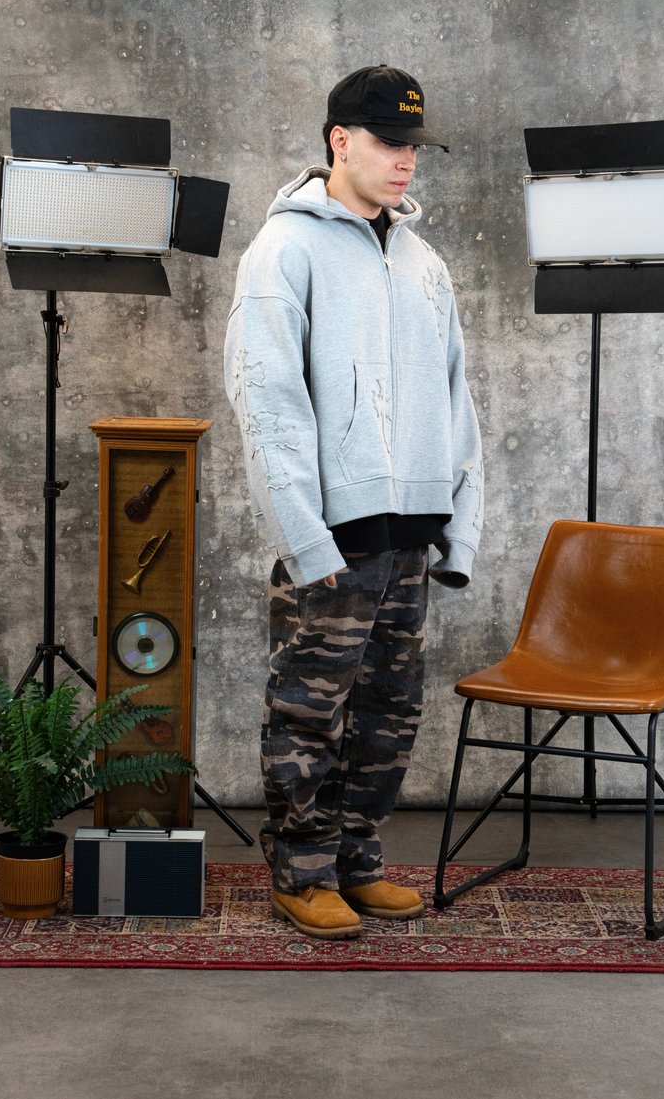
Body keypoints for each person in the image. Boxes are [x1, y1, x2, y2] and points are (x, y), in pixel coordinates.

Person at [224, 64, 484, 940]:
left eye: (415, 146)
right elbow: (267, 404)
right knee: (309, 710)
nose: (406, 160)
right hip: (331, 539)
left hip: (410, 535)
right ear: (340, 140)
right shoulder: (284, 252)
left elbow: (456, 398)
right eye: (388, 142)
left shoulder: (424, 263)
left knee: (389, 714)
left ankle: (357, 862)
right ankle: (302, 873)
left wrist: (457, 527)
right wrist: (305, 539)